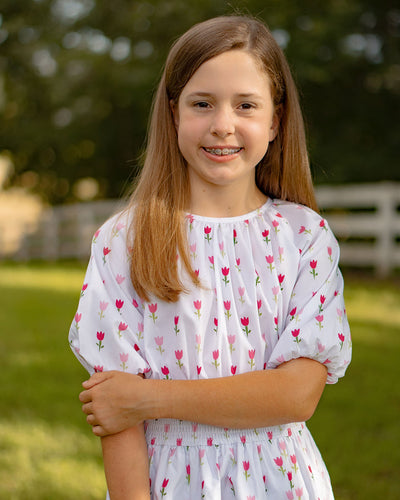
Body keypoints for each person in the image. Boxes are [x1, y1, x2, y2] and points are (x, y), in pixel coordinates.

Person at [69, 15, 352, 500]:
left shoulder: (304, 237)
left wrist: (149, 398)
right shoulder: (126, 241)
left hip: (284, 483)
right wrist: (130, 407)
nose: (223, 125)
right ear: (174, 112)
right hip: (169, 483)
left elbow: (297, 394)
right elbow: (117, 414)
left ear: (275, 120)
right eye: (202, 104)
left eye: (246, 105)